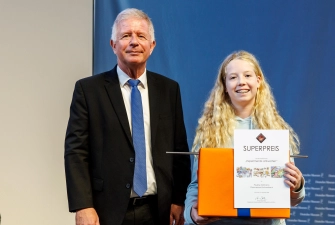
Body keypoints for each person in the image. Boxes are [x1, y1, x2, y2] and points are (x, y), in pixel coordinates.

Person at [64, 8, 191, 225]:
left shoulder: (169, 90)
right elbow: (76, 152)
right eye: (125, 36)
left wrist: (179, 200)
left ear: (152, 46)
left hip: (159, 211)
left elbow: (178, 150)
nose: (134, 42)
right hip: (106, 212)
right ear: (113, 45)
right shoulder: (89, 90)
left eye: (141, 36)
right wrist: (83, 205)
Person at [184, 51, 306, 225]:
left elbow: (291, 198)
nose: (241, 82)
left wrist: (297, 184)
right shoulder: (210, 132)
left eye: (247, 75)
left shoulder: (276, 130)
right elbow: (196, 186)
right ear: (224, 85)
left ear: (258, 81)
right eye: (233, 77)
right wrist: (191, 214)